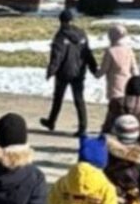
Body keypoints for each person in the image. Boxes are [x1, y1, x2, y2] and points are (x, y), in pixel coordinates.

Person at [40, 8, 100, 137]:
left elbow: (57, 56)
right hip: (79, 72)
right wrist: (94, 68)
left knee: (58, 98)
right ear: (72, 20)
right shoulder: (82, 34)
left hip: (63, 73)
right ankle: (83, 127)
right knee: (79, 100)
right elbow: (87, 53)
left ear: (61, 21)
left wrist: (51, 71)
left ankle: (51, 121)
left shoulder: (60, 36)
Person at [98, 23, 140, 103]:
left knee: (114, 110)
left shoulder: (110, 51)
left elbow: (104, 69)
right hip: (127, 85)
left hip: (114, 86)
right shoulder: (129, 50)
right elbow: (134, 69)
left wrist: (96, 74)